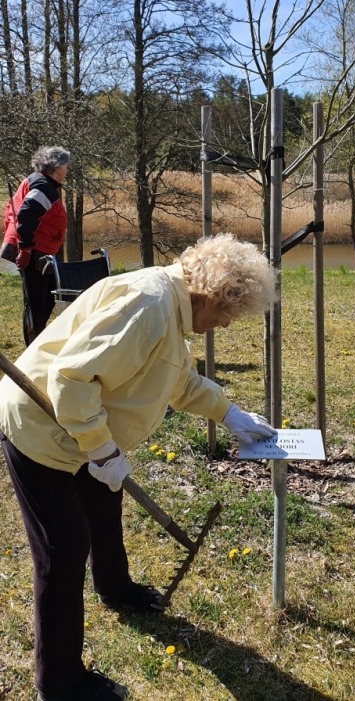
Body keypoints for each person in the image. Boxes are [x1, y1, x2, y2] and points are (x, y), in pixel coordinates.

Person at [0, 233, 276, 701]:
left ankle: (116, 588)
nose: (226, 325)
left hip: (84, 433)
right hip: (41, 430)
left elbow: (176, 376)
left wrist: (228, 413)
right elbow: (71, 378)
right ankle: (60, 682)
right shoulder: (147, 306)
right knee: (63, 549)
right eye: (228, 313)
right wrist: (101, 448)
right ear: (211, 295)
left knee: (104, 511)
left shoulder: (170, 310)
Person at [0, 146, 70, 344]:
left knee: (48, 296)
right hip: (35, 251)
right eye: (65, 166)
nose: (67, 170)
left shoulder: (43, 183)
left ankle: (38, 338)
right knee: (36, 303)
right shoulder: (43, 187)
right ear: (56, 167)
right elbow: (27, 214)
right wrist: (26, 250)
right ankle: (33, 345)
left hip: (42, 251)